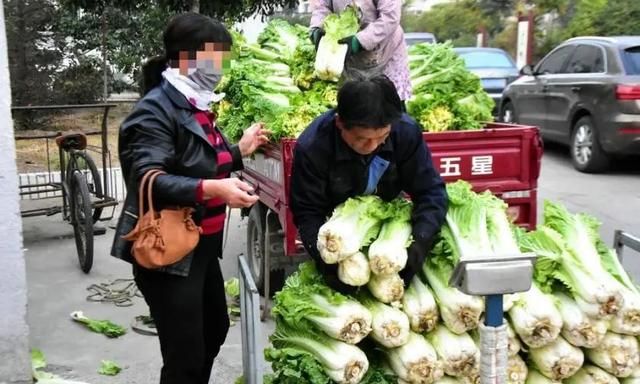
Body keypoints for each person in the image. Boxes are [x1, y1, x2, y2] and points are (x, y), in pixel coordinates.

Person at [110, 13, 269, 384]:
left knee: (213, 331)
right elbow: (148, 177)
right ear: (187, 58)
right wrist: (215, 190)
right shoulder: (154, 111)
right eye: (217, 58)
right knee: (185, 357)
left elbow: (199, 160)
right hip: (170, 253)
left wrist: (239, 151)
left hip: (200, 248)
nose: (222, 68)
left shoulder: (194, 103)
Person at [290, 74, 447, 293]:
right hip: (339, 237)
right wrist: (326, 261)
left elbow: (430, 191)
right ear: (340, 124)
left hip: (386, 231)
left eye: (381, 137)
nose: (372, 145)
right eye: (362, 139)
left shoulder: (405, 132)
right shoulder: (313, 146)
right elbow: (307, 211)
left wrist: (420, 240)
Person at [309, 0, 412, 103]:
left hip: (385, 55)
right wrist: (317, 27)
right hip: (350, 58)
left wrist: (360, 41)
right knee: (355, 109)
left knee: (387, 109)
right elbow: (321, 7)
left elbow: (390, 18)